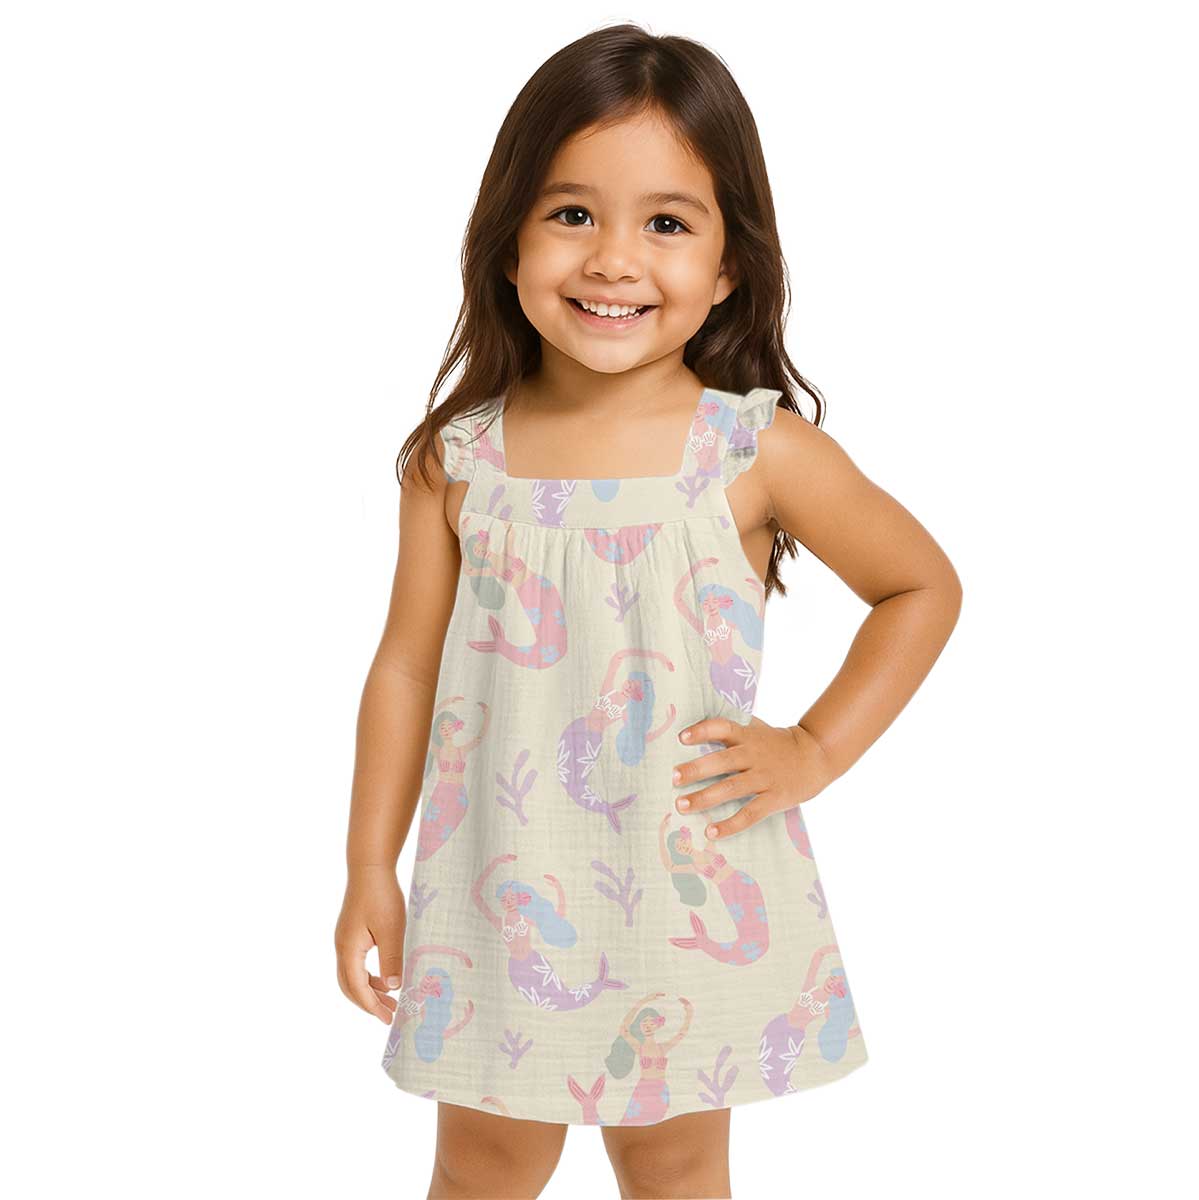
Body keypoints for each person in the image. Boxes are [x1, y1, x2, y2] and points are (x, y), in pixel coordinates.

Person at [334, 21, 962, 1200]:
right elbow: (406, 667)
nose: (614, 259)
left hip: (681, 884)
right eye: (573, 213)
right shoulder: (457, 460)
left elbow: (920, 586)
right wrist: (371, 861)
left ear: (728, 267)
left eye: (666, 223)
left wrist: (814, 749)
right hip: (497, 881)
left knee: (674, 1168)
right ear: (507, 241)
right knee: (481, 1165)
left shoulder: (754, 449)